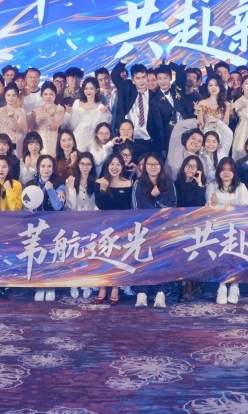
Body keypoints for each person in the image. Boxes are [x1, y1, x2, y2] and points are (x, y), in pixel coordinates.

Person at [131, 154, 174, 308]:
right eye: (150, 164)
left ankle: (160, 293)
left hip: (163, 229)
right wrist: (152, 198)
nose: (153, 167)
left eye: (156, 164)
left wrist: (157, 198)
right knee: (142, 261)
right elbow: (137, 208)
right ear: (145, 166)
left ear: (161, 166)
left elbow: (172, 207)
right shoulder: (138, 184)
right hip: (143, 229)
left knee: (162, 261)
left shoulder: (168, 183)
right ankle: (141, 293)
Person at [93, 156, 134, 304]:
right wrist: (103, 190)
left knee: (118, 258)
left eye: (118, 164)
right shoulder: (100, 182)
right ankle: (102, 288)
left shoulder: (128, 183)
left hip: (122, 226)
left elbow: (127, 206)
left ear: (122, 167)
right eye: (112, 164)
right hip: (104, 227)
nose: (115, 167)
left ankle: (115, 288)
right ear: (107, 165)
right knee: (102, 258)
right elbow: (102, 206)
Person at [207, 158, 248, 304]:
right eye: (223, 169)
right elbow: (207, 210)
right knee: (221, 254)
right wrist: (213, 205)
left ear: (234, 172)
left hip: (237, 228)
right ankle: (222, 286)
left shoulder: (241, 187)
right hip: (218, 228)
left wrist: (230, 209)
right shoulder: (212, 187)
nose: (226, 173)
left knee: (236, 253)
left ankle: (235, 286)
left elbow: (244, 208)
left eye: (230, 170)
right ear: (219, 171)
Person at [66, 77, 111, 155]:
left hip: (92, 141)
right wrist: (68, 113)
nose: (88, 91)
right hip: (76, 138)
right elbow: (69, 123)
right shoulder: (77, 103)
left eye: (91, 89)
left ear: (96, 90)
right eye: (86, 88)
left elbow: (104, 126)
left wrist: (106, 113)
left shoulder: (101, 107)